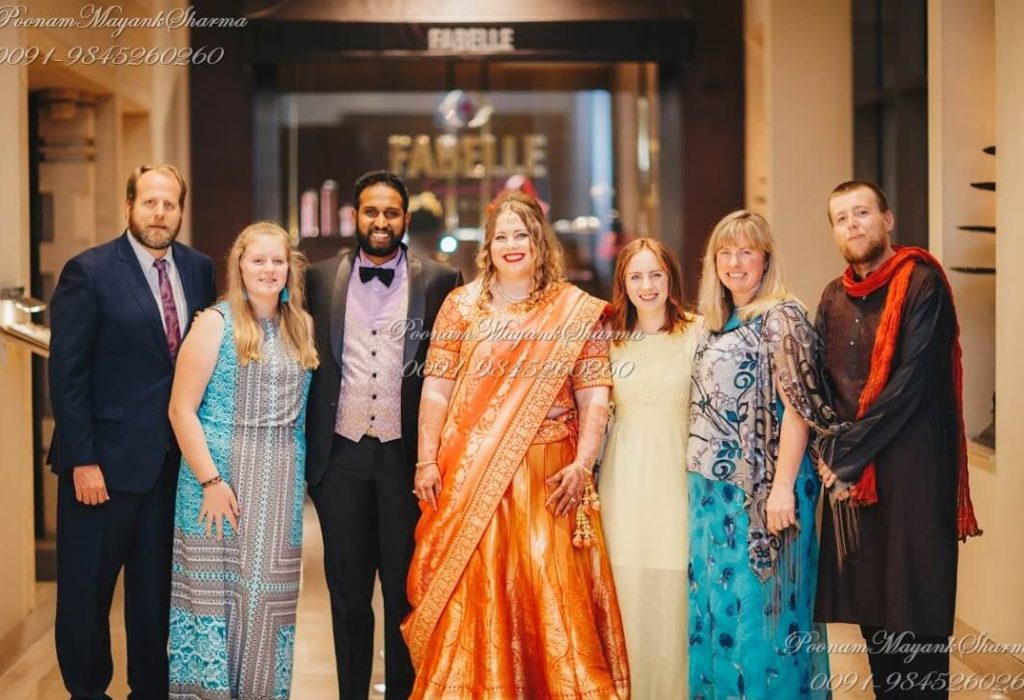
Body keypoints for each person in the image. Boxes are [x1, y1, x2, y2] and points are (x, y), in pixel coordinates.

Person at [402, 191, 630, 699]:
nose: (511, 245)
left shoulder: (572, 310)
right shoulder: (462, 305)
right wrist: (424, 459)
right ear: (488, 246)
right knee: (474, 588)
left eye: (521, 234)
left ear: (539, 242)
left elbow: (595, 397)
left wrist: (584, 464)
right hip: (470, 471)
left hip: (549, 475)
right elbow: (435, 387)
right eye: (501, 236)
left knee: (548, 589)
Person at [48, 164, 216, 699]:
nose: (160, 214)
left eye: (170, 205)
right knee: (86, 597)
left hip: (170, 470)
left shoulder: (199, 269)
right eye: (150, 203)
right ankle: (88, 691)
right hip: (101, 470)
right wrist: (82, 459)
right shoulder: (89, 271)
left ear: (181, 211)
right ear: (129, 207)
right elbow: (66, 372)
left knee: (155, 597)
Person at [815, 181, 981, 698]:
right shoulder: (833, 295)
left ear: (887, 220)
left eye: (862, 212)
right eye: (841, 218)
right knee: (875, 617)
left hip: (912, 474)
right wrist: (830, 451)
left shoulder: (922, 283)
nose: (853, 224)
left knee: (916, 613)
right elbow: (821, 383)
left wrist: (843, 455)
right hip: (857, 486)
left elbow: (909, 385)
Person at [304, 171, 462, 699]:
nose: (380, 221)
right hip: (340, 459)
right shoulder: (319, 278)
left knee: (404, 593)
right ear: (355, 216)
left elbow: (454, 371)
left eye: (390, 212)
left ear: (405, 219)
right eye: (371, 211)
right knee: (347, 594)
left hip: (405, 460)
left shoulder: (441, 280)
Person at [686, 210, 836, 699]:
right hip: (713, 496)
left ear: (765, 257)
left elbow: (799, 412)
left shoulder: (783, 317)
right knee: (717, 616)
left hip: (765, 496)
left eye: (746, 251)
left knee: (763, 624)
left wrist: (782, 490)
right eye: (725, 252)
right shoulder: (717, 321)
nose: (735, 262)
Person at [166, 222, 316, 698]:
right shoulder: (216, 322)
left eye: (278, 261)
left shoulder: (302, 325)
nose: (269, 270)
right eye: (258, 260)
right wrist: (211, 481)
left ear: (290, 267)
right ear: (239, 266)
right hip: (216, 483)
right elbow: (181, 409)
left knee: (266, 606)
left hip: (279, 487)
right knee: (214, 603)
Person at [600, 238, 698, 699]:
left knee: (676, 590)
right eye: (635, 276)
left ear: (670, 278)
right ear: (623, 283)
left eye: (655, 275)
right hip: (625, 475)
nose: (647, 285)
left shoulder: (700, 333)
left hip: (679, 474)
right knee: (628, 588)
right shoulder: (608, 339)